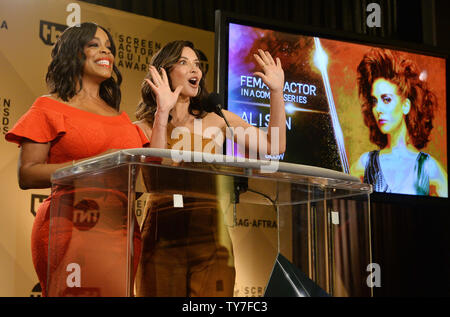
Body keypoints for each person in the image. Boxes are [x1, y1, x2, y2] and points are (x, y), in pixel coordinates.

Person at [5, 22, 149, 296]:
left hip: (121, 232)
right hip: (69, 228)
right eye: (94, 45)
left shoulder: (121, 119)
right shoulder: (49, 107)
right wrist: (95, 164)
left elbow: (138, 185)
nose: (105, 51)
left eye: (109, 46)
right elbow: (27, 174)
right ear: (73, 53)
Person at [134, 40, 286, 296]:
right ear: (164, 72)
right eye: (184, 62)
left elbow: (274, 145)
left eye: (197, 64)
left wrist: (276, 92)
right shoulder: (144, 125)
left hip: (211, 237)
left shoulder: (217, 120)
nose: (195, 70)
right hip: (162, 236)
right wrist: (162, 114)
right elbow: (156, 176)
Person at [351, 48, 447, 197]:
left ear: (405, 106)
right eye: (375, 101)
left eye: (386, 99)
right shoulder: (364, 165)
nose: (378, 109)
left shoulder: (429, 168)